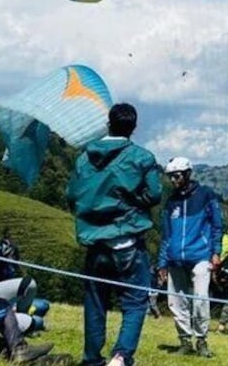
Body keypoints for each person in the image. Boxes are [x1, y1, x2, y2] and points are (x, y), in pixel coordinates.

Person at [66, 103, 163, 366]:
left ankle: (92, 359)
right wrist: (130, 202)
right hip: (127, 241)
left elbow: (72, 195)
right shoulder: (142, 157)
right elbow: (154, 195)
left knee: (95, 302)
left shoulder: (84, 158)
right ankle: (120, 357)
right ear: (133, 129)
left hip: (94, 244)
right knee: (134, 302)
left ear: (108, 124)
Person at [157, 156, 223, 358]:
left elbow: (217, 225)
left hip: (200, 256)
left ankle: (201, 340)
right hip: (175, 258)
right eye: (170, 177)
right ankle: (184, 341)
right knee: (176, 302)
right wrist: (162, 263)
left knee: (200, 298)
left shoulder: (205, 195)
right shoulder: (171, 202)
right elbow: (166, 235)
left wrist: (216, 252)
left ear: (187, 174)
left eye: (176, 176)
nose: (173, 180)